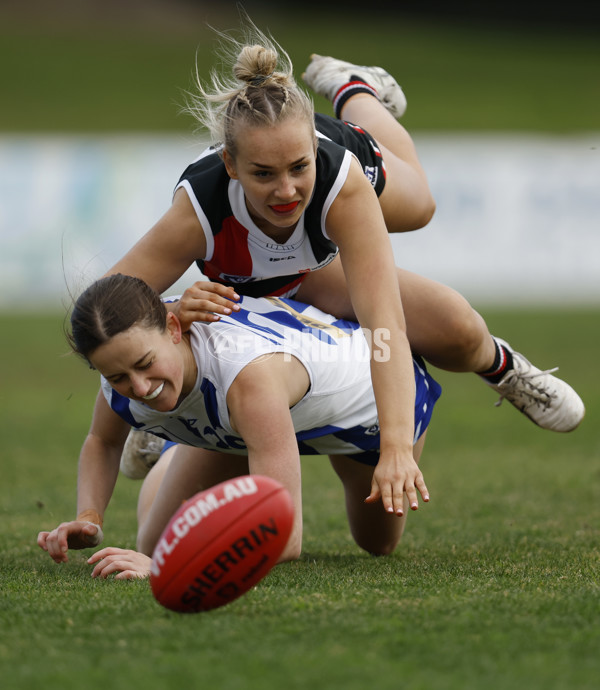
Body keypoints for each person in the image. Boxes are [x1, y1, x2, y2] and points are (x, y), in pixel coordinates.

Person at [105, 26, 583, 440]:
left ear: (314, 148)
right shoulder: (201, 208)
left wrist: (396, 445)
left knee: (444, 285)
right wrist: (171, 312)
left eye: (298, 167)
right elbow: (102, 305)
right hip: (243, 299)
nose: (286, 191)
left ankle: (354, 87)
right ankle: (173, 416)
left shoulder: (340, 182)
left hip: (316, 269)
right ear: (230, 164)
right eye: (263, 174)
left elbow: (385, 329)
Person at [37, 273, 442, 578]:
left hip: (370, 408)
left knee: (378, 543)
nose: (138, 387)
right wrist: (89, 517)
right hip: (246, 421)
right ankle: (182, 430)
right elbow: (103, 441)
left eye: (145, 365)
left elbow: (285, 538)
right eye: (118, 377)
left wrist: (165, 568)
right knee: (154, 541)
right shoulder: (126, 350)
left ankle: (174, 437)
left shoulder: (247, 378)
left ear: (174, 329)